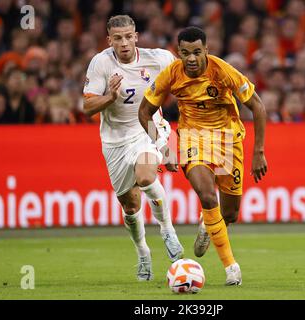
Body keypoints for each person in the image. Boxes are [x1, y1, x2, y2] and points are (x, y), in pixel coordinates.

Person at [138, 26, 268, 286]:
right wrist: (163, 145)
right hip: (191, 140)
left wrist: (259, 152)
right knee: (208, 196)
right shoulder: (172, 74)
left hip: (229, 141)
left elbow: (258, 106)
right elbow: (144, 112)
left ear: (206, 50)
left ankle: (207, 224)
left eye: (197, 52)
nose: (192, 59)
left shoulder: (222, 70)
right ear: (179, 53)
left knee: (229, 215)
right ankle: (231, 267)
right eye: (185, 53)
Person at [82, 15, 184, 281]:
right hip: (114, 140)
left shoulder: (159, 58)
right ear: (109, 40)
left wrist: (170, 144)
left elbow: (187, 79)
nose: (124, 43)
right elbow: (87, 108)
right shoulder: (101, 63)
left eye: (128, 36)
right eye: (118, 38)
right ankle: (142, 253)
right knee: (130, 206)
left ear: (136, 36)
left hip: (147, 128)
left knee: (147, 177)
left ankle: (167, 230)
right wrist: (110, 97)